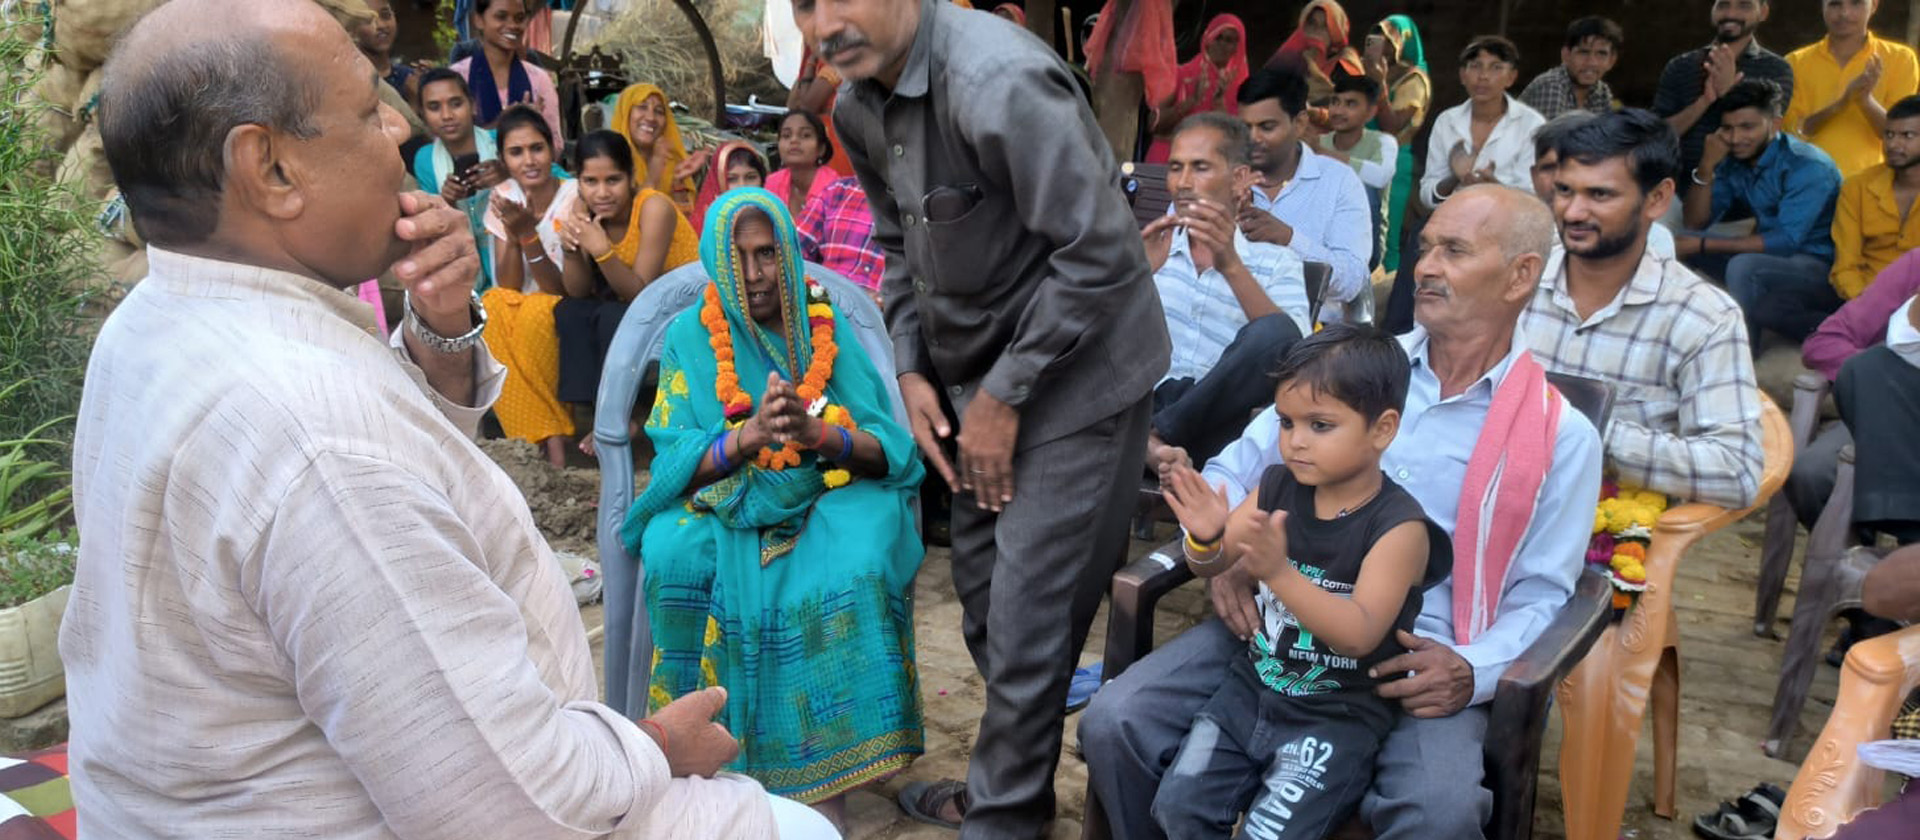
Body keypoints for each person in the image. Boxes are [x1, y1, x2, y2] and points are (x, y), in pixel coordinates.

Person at [67, 0, 841, 837]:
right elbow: (505, 808)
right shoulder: (320, 445)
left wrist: (438, 332)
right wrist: (656, 743)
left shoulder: (150, 319)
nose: (402, 132)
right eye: (368, 110)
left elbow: (395, 453)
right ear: (272, 171)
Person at [1081, 184, 1603, 840]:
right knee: (1117, 721)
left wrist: (1474, 672)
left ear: (1521, 275)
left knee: (1439, 813)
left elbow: (1545, 595)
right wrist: (1227, 555)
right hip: (1277, 631)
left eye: (1455, 250)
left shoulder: (1560, 435)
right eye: (1426, 246)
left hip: (1419, 659)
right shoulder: (1348, 372)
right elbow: (1229, 475)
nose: (1425, 266)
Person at [798, 0, 1173, 832]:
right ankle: (1013, 778)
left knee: (1030, 620)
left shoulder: (999, 81)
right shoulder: (858, 105)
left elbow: (1104, 252)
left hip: (1080, 382)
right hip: (975, 385)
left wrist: (1006, 395)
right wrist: (909, 365)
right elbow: (900, 245)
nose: (823, 21)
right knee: (982, 600)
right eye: (802, 2)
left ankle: (1002, 817)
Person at [618, 187, 927, 832]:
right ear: (714, 259)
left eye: (767, 254)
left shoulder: (825, 325)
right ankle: (700, 770)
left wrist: (819, 436)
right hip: (726, 492)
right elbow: (675, 454)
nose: (754, 275)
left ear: (788, 253)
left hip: (827, 488)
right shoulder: (689, 334)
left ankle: (823, 785)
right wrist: (749, 436)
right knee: (674, 549)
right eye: (739, 258)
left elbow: (886, 447)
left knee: (857, 555)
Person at [1150, 324, 1450, 838]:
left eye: (1320, 425)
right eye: (1287, 423)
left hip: (1334, 719)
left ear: (1382, 429)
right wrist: (1203, 539)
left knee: (1271, 834)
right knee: (1178, 805)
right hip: (1247, 695)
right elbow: (1215, 563)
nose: (1296, 442)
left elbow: (1359, 633)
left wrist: (1277, 572)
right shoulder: (1275, 485)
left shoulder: (1401, 530)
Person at [1524, 108, 1766, 509]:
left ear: (1657, 199)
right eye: (1565, 190)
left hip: (1607, 541)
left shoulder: (1702, 318)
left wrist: (1578, 429)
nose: (1573, 212)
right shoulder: (1516, 282)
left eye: (1599, 194)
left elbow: (1736, 471)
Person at [1143, 114, 1310, 473]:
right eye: (1175, 168)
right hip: (1137, 405)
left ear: (1238, 179)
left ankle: (1153, 441)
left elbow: (1296, 357)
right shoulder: (1150, 249)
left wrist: (1231, 266)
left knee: (1278, 331)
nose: (1183, 183)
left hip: (1215, 431)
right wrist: (1137, 277)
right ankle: (1149, 440)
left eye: (1200, 167)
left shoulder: (1276, 263)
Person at [1680, 79, 1844, 345]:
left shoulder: (1807, 166)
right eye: (1728, 129)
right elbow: (1696, 221)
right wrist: (1707, 166)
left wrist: (1702, 243)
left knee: (1742, 265)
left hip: (1818, 266)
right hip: (1771, 258)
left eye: (1747, 127)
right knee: (1672, 244)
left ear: (1775, 124)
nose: (1735, 139)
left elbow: (1787, 241)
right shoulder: (1734, 159)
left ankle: (1743, 350)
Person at [554, 130, 701, 426]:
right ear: (578, 182)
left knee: (612, 315)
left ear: (631, 176)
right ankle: (597, 414)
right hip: (631, 306)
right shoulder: (582, 209)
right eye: (590, 182)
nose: (602, 193)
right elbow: (578, 291)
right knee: (570, 310)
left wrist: (602, 251)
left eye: (613, 180)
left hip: (682, 309)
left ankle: (624, 416)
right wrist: (571, 250)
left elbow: (641, 292)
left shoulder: (653, 207)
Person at [1789, 250, 1920, 547]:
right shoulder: (1916, 266)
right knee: (1811, 475)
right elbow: (1824, 342)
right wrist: (1884, 375)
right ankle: (1856, 569)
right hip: (1885, 411)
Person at [480, 105, 578, 466]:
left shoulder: (575, 196)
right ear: (504, 159)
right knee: (492, 303)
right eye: (516, 152)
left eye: (536, 148)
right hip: (517, 308)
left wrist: (528, 234)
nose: (529, 160)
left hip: (564, 303)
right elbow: (508, 286)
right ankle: (544, 433)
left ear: (553, 148)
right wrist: (510, 228)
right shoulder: (504, 196)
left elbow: (561, 289)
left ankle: (548, 442)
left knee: (536, 310)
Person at [1237, 66, 1373, 323]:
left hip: (1306, 339)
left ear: (1299, 123)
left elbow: (1353, 280)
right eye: (1244, 127)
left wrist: (1289, 239)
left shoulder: (1339, 182)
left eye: (1266, 127)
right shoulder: (1217, 176)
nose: (1252, 138)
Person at [1652, 0, 1795, 178]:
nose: (1731, 14)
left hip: (1747, 192)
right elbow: (1655, 136)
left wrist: (1729, 90)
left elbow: (1767, 134)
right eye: (1723, 5)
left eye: (1744, 5)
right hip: (1678, 188)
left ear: (1763, 12)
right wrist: (1705, 101)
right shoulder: (1681, 66)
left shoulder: (1777, 69)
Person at [1783, 0, 1920, 178]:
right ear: (1823, 6)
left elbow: (1901, 135)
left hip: (1873, 184)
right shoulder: (1795, 62)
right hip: (1809, 183)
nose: (1844, 13)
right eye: (1835, 4)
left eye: (1856, 3)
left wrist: (1865, 101)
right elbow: (1793, 133)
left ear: (1874, 6)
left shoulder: (1901, 59)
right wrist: (1840, 104)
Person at [1419, 36, 1547, 210]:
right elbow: (1428, 195)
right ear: (1463, 75)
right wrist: (1456, 178)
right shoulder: (1446, 121)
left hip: (1507, 227)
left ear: (1511, 77)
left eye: (1496, 68)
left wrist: (1493, 186)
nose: (1483, 76)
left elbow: (1534, 197)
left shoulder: (1531, 125)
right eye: (1475, 66)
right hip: (1454, 220)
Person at [413, 68, 510, 290]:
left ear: (472, 105)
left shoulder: (500, 144)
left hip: (509, 260)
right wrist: (446, 202)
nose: (447, 115)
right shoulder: (425, 159)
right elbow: (431, 225)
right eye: (434, 107)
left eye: (456, 103)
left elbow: (551, 178)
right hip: (463, 269)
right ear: (423, 115)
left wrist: (507, 175)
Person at [1830, 94, 1920, 299]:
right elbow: (1845, 266)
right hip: (1865, 298)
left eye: (1907, 135)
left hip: (1916, 308)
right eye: (1888, 135)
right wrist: (1867, 305)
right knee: (1775, 306)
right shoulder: (1857, 187)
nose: (1893, 145)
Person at [1363, 15, 1430, 274]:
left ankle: (1387, 299)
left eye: (1391, 41)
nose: (1386, 48)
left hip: (1396, 160)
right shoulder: (1376, 71)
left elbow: (1393, 125)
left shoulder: (1414, 80)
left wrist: (1379, 83)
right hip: (1365, 153)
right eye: (1380, 40)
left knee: (1388, 236)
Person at [1318, 69, 1399, 268]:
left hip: (1364, 247)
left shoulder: (1383, 142)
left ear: (1371, 112)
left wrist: (1321, 154)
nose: (1338, 111)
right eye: (1335, 102)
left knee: (1363, 188)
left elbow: (1380, 176)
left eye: (1350, 104)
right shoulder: (1318, 143)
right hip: (1319, 237)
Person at [1142, 14, 1248, 163]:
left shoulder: (1243, 88)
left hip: (1213, 167)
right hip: (1168, 159)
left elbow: (1240, 139)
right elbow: (1153, 123)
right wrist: (1191, 101)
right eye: (1218, 38)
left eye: (1230, 40)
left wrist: (1219, 102)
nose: (1222, 45)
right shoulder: (1181, 74)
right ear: (1208, 39)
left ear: (1238, 46)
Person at [451, 0, 563, 140]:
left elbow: (555, 146)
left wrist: (536, 128)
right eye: (501, 16)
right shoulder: (457, 78)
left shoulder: (539, 79)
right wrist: (506, 123)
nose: (512, 25)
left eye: (519, 18)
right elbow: (450, 143)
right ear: (478, 20)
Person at [611, 82, 699, 215]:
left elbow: (685, 222)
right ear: (626, 113)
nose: (651, 117)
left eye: (659, 111)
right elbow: (627, 218)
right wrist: (654, 174)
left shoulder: (672, 161)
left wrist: (677, 181)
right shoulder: (610, 161)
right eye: (642, 107)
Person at [796, 174, 887, 301]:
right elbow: (792, 252)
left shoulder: (919, 202)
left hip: (885, 311)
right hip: (825, 301)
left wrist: (884, 301)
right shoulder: (838, 190)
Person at [1519, 16, 1624, 120]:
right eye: (1583, 52)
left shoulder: (1602, 92)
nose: (1592, 62)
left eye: (1601, 54)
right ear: (1566, 55)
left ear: (1611, 61)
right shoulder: (1551, 86)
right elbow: (1555, 136)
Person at [1269, 0, 1362, 102]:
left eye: (1325, 26)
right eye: (1312, 23)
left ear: (1335, 31)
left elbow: (1353, 104)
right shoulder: (1290, 59)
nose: (1316, 30)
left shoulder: (1346, 64)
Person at [767, 110, 836, 218]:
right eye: (786, 135)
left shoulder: (834, 189)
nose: (794, 140)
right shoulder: (772, 183)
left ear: (821, 148)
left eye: (805, 135)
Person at [691, 140, 770, 233]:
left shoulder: (773, 217)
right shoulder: (706, 223)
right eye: (732, 179)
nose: (742, 186)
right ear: (718, 182)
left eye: (751, 177)